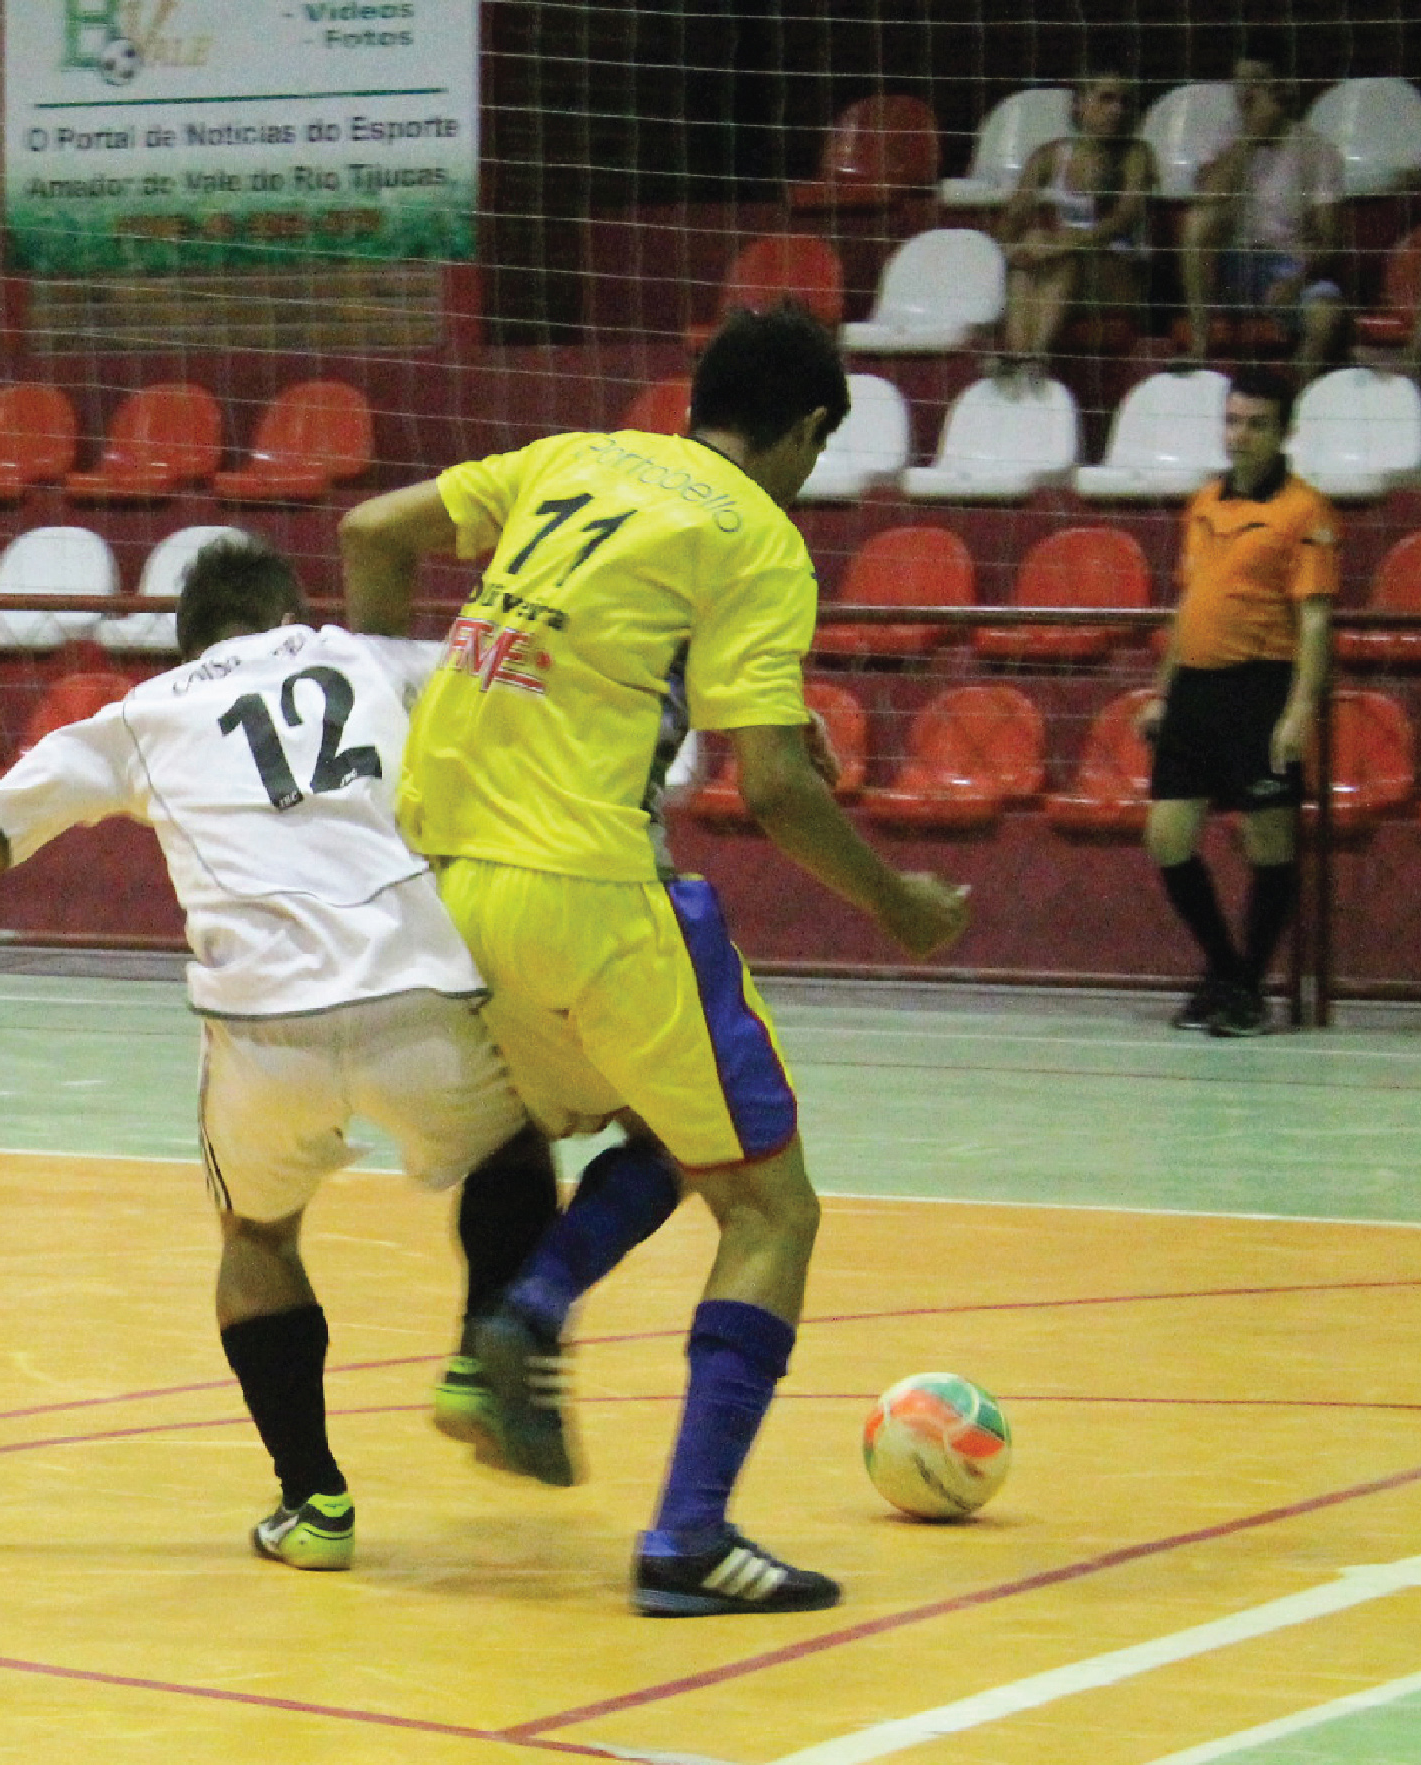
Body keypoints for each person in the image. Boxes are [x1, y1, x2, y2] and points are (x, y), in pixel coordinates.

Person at [0, 533, 566, 1573]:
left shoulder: (138, 717)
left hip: (261, 1029)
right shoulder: (369, 658)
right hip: (416, 993)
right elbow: (532, 688)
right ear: (292, 607)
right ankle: (480, 1348)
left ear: (184, 639)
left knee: (256, 1238)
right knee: (512, 1153)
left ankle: (314, 1503)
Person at [337, 306, 972, 1616]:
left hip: (439, 886)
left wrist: (398, 686)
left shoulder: (573, 456)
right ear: (803, 432)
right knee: (772, 1206)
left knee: (665, 1132)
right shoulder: (755, 533)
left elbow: (367, 532)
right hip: (587, 894)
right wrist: (895, 902)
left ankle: (527, 1310)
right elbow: (781, 791)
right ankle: (688, 1537)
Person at [1142, 367, 1334, 1039]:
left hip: (1259, 686)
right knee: (1165, 836)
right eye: (1232, 421)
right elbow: (1187, 602)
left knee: (1267, 841)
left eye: (1255, 423)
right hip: (1194, 688)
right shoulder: (1202, 504)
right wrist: (1162, 693)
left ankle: (1244, 987)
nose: (1240, 434)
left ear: (1283, 432)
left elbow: (1312, 620)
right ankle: (1228, 972)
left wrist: (1297, 711)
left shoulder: (1304, 511)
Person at [1180, 55, 1348, 375]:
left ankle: (1295, 412)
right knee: (1197, 221)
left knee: (1327, 318)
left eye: (1256, 82)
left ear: (1280, 88)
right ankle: (1199, 346)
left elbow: (1329, 241)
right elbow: (1209, 196)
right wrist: (1250, 138)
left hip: (1286, 267)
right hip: (1228, 267)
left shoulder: (1317, 150)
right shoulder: (1222, 139)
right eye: (1240, 83)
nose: (1246, 93)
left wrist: (1297, 281)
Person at [992, 70, 1158, 385]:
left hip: (1121, 271)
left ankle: (1035, 357)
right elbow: (1012, 219)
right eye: (1106, 99)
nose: (1117, 110)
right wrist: (1018, 249)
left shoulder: (1137, 155)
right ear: (1080, 104)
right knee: (1030, 250)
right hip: (1066, 267)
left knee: (1058, 254)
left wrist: (1065, 243)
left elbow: (1124, 218)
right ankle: (1018, 357)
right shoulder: (1051, 155)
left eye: (1124, 101)